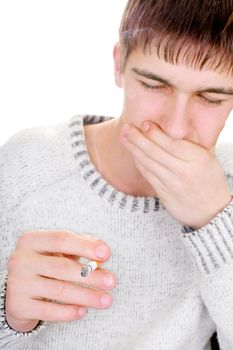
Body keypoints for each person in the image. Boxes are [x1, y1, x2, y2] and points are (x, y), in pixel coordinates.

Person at [0, 0, 233, 349]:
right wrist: (10, 316)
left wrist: (217, 223)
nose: (175, 126)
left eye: (211, 98)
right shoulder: (30, 165)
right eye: (155, 85)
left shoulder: (228, 183)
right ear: (119, 65)